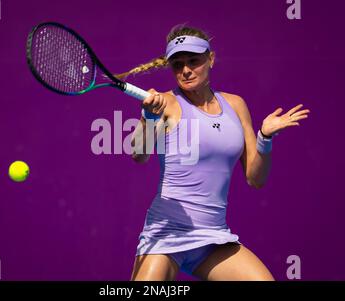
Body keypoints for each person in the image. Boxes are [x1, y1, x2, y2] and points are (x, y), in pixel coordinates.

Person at [117, 25, 310, 281]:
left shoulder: (236, 105)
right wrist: (148, 118)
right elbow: (138, 155)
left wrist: (265, 137)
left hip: (214, 238)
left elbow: (256, 178)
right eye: (177, 64)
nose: (185, 70)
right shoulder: (166, 104)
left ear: (211, 59)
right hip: (166, 232)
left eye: (193, 61)